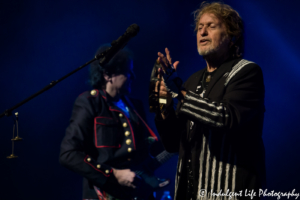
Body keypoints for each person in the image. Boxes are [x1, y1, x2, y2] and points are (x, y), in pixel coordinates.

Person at [154, 2, 266, 200]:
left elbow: (226, 117)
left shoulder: (247, 72)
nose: (202, 32)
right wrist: (164, 105)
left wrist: (179, 91)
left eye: (211, 26)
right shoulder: (193, 80)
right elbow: (174, 144)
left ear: (232, 36)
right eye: (199, 28)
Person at [60, 45, 169, 200]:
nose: (133, 76)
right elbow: (68, 154)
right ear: (108, 74)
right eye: (127, 71)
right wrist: (114, 174)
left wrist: (182, 136)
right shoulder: (90, 102)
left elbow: (149, 150)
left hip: (137, 193)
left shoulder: (135, 106)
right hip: (102, 194)